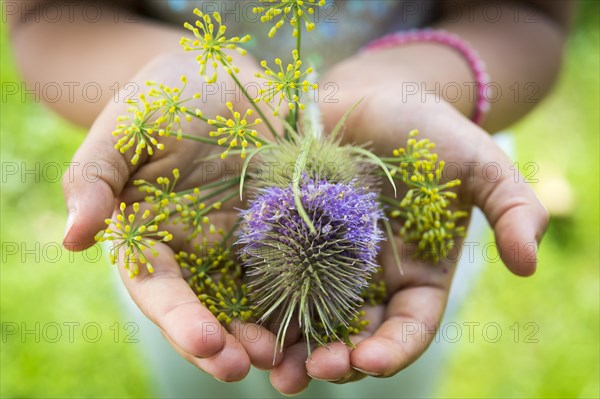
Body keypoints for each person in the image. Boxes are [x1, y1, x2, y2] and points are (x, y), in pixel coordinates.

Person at [9, 0, 571, 396]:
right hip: (181, 193)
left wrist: (409, 85)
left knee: (388, 380)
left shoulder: (411, 193)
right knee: (199, 369)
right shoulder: (172, 200)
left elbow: (529, 14)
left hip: (411, 184)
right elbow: (46, 16)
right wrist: (155, 95)